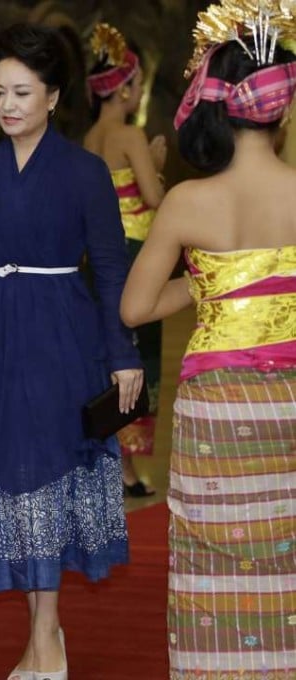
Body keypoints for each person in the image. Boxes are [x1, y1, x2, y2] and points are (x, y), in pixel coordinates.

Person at [0, 23, 143, 680]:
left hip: (59, 338)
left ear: (52, 97)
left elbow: (109, 267)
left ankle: (46, 634)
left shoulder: (84, 171)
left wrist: (123, 354)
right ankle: (40, 632)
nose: (8, 105)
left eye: (22, 92)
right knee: (7, 485)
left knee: (42, 476)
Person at [120, 1, 296, 674]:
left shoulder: (188, 202)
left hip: (216, 403)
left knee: (211, 551)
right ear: (281, 110)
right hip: (288, 404)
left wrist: (215, 284)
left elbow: (136, 308)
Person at [83, 23, 166, 497]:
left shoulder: (88, 137)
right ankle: (128, 468)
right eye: (136, 84)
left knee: (105, 352)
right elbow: (154, 199)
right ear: (124, 88)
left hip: (97, 260)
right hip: (135, 255)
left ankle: (105, 455)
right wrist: (154, 162)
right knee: (140, 354)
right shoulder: (130, 135)